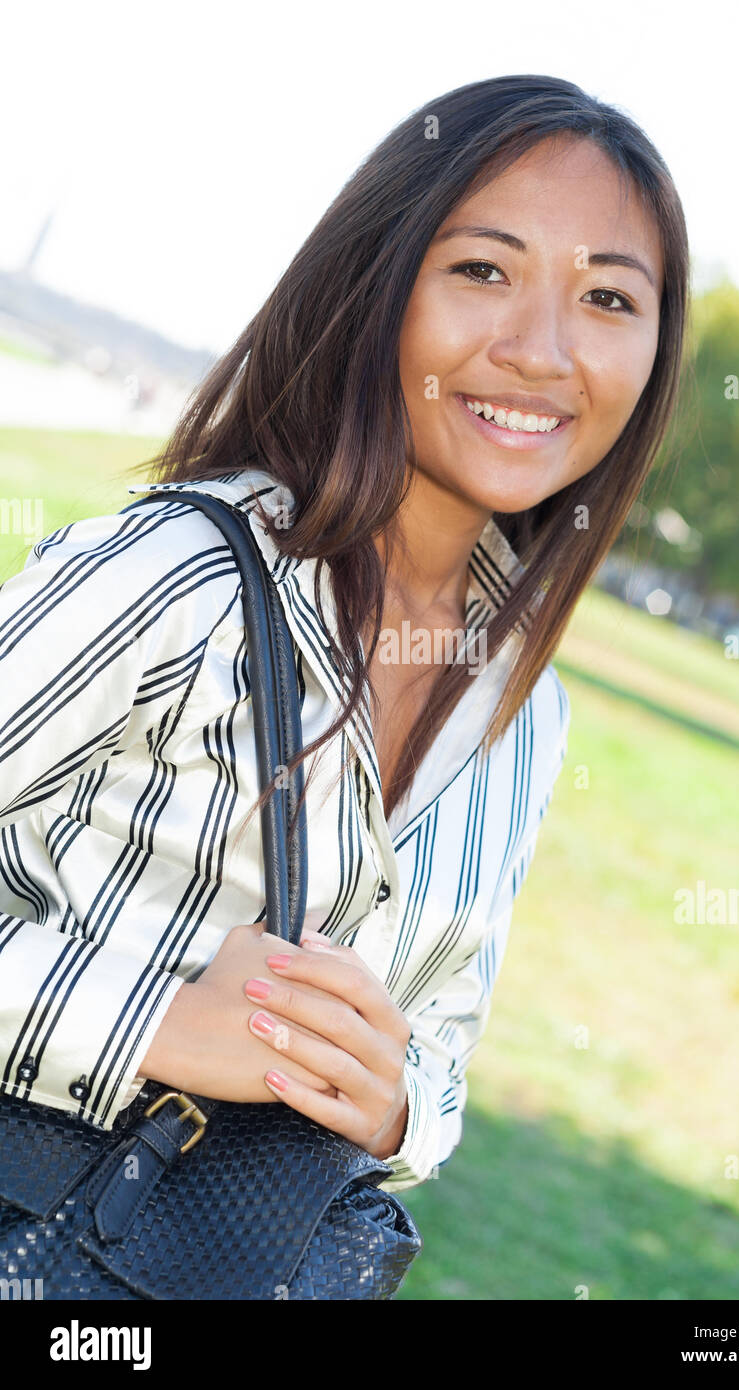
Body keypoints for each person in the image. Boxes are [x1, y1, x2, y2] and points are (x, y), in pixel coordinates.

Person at [0, 73, 688, 1292]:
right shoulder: (174, 578)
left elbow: (446, 1056)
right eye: (482, 270)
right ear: (379, 280)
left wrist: (392, 1106)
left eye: (605, 298)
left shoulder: (526, 715)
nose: (539, 349)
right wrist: (140, 1020)